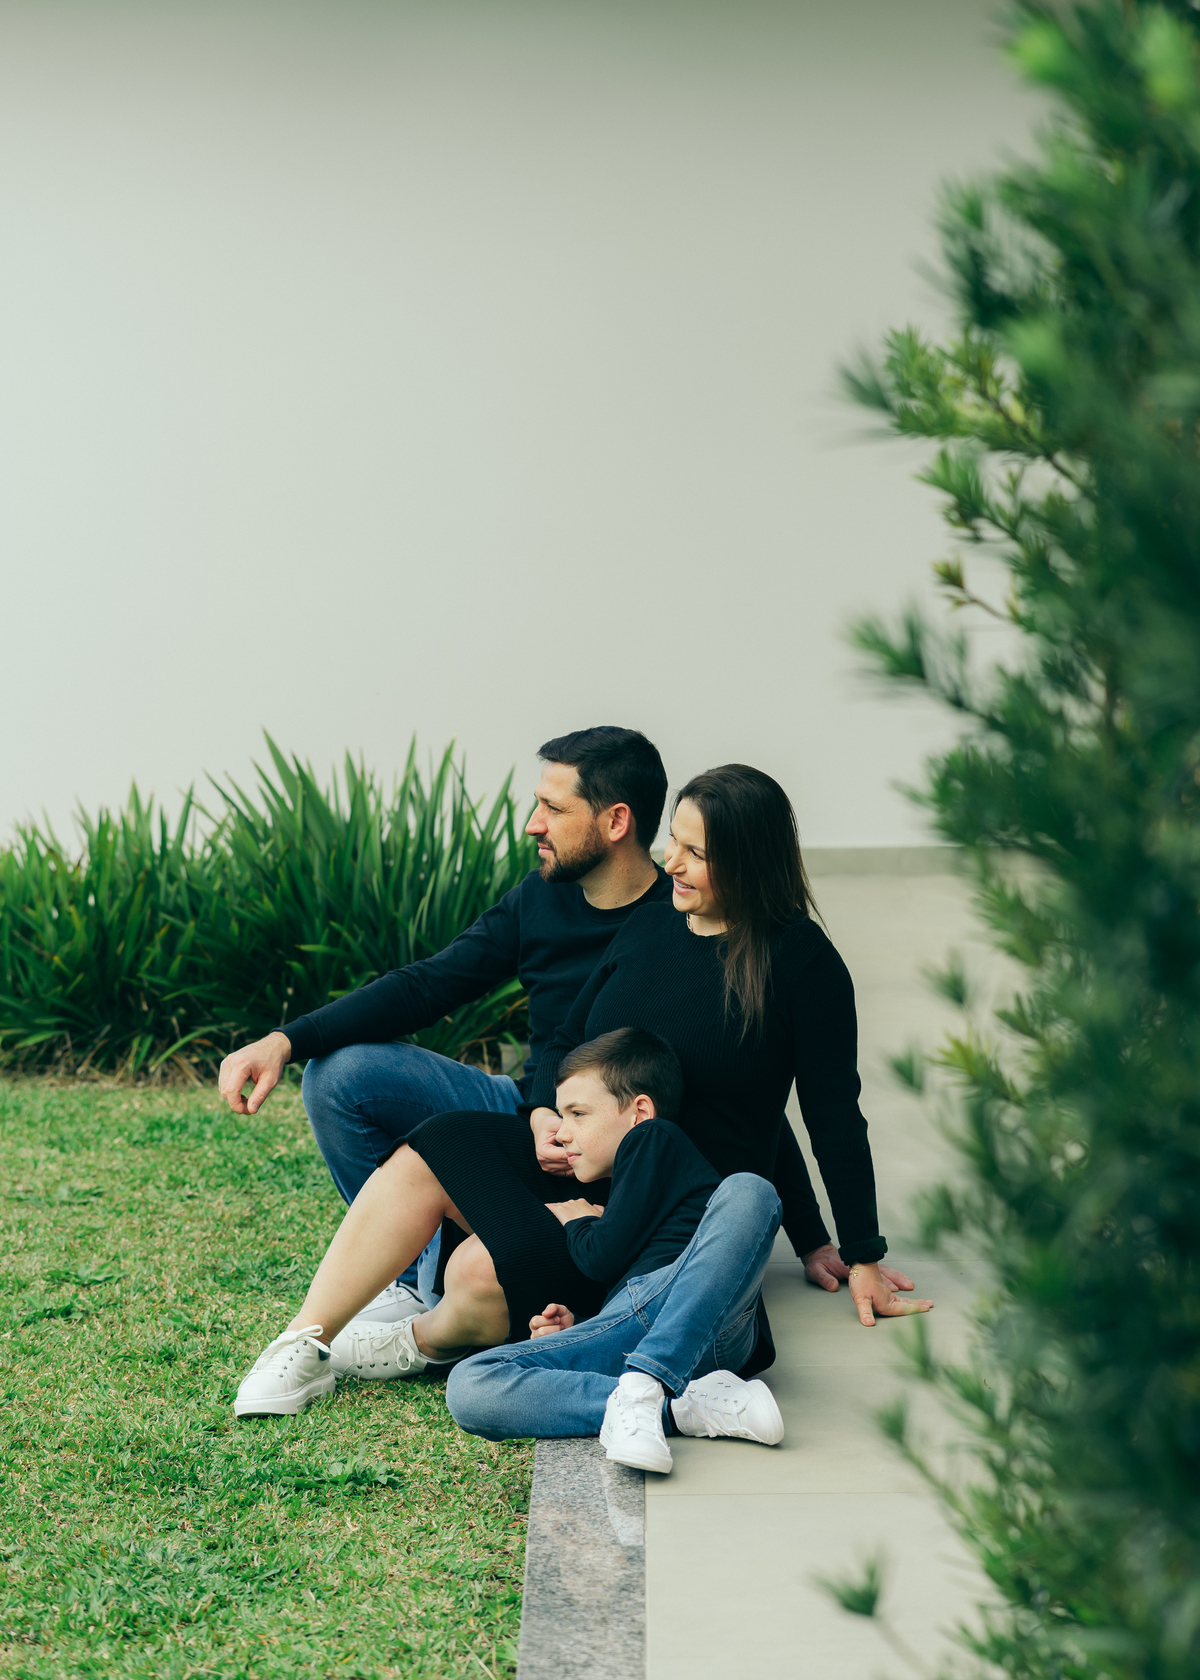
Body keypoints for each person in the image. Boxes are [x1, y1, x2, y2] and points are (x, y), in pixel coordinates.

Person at [231, 764, 928, 1417]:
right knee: (439, 1142)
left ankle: (422, 1337)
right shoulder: (654, 922)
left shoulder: (804, 965)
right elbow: (566, 1035)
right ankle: (304, 1344)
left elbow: (825, 1113)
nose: (673, 864)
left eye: (696, 853)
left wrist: (855, 1250)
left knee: (478, 1272)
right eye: (673, 843)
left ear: (749, 863)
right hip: (574, 1168)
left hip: (664, 1220)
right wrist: (541, 1113)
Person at [216, 725, 679, 1316]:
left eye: (554, 809)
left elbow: (738, 1080)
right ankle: (411, 1279)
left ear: (616, 822)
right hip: (523, 1112)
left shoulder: (678, 924)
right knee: (339, 1075)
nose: (533, 824)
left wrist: (822, 1238)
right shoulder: (538, 898)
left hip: (613, 1146)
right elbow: (429, 984)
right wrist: (285, 1040)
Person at [236, 1027, 793, 1424]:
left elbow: (600, 1257)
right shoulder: (629, 1177)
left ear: (639, 1111)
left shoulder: (655, 1140)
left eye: (578, 1114)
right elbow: (616, 1282)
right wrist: (574, 1324)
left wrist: (574, 1219)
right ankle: (683, 1405)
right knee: (471, 1385)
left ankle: (656, 1384)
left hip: (702, 1321)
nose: (564, 1132)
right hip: (629, 1331)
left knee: (748, 1191)